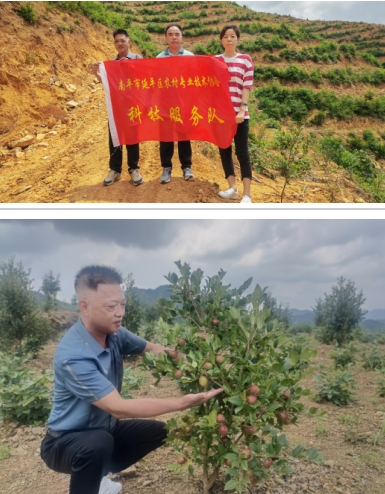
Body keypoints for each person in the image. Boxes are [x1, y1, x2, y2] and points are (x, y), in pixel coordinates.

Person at [40, 265, 222, 494]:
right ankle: (89, 484)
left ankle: (96, 475)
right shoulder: (74, 356)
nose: (120, 312)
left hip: (105, 430)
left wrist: (200, 363)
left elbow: (152, 348)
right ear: (84, 307)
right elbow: (119, 408)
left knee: (160, 432)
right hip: (63, 442)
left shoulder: (114, 333)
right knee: (97, 446)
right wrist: (182, 403)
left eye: (122, 304)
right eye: (111, 306)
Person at [92, 29, 144, 187]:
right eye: (117, 41)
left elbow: (144, 78)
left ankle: (134, 169)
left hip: (133, 106)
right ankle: (115, 170)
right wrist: (96, 73)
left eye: (122, 40)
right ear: (114, 44)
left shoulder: (138, 58)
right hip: (117, 107)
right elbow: (108, 84)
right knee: (115, 137)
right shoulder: (111, 64)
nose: (120, 43)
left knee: (132, 137)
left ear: (129, 41)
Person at [215, 24, 255, 204]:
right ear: (221, 40)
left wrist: (241, 109)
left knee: (242, 153)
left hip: (240, 115)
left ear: (237, 39)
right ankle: (232, 188)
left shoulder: (245, 60)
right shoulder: (215, 61)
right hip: (221, 115)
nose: (229, 39)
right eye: (225, 37)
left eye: (232, 36)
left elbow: (246, 86)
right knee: (224, 150)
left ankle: (247, 194)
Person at [156, 24, 195, 184]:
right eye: (170, 34)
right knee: (166, 137)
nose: (174, 37)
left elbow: (195, 79)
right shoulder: (159, 58)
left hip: (184, 103)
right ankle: (166, 168)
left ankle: (186, 167)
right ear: (165, 37)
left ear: (182, 37)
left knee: (184, 135)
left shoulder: (190, 56)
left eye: (177, 34)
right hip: (165, 104)